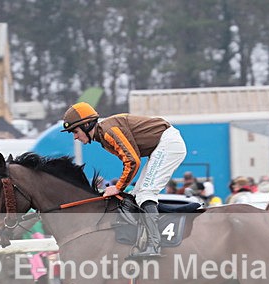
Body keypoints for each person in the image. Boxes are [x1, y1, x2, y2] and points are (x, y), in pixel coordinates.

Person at [61, 102, 187, 258]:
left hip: (167, 144)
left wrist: (118, 187)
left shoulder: (108, 131)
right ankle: (143, 239)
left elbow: (132, 161)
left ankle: (154, 245)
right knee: (136, 194)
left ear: (87, 125)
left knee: (145, 193)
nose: (75, 137)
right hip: (161, 146)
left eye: (75, 131)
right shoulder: (103, 136)